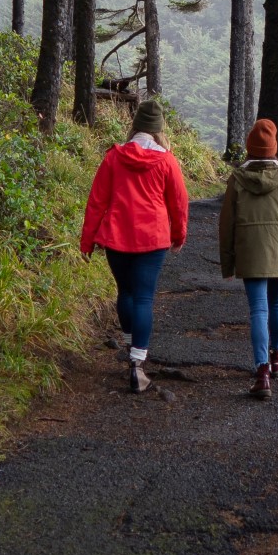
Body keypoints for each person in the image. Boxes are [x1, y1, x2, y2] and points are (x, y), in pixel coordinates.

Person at [80, 97, 190, 393]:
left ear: (135, 127)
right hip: (151, 239)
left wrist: (87, 241)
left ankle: (131, 351)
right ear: (159, 130)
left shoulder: (114, 157)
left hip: (116, 236)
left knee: (125, 292)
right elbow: (178, 203)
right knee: (143, 298)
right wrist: (179, 235)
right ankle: (138, 364)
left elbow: (96, 202)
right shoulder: (167, 161)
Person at [218, 118, 278, 401]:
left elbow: (226, 224)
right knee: (276, 301)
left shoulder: (237, 180)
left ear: (249, 149)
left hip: (250, 251)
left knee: (258, 310)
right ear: (274, 148)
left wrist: (227, 262)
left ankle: (262, 371)